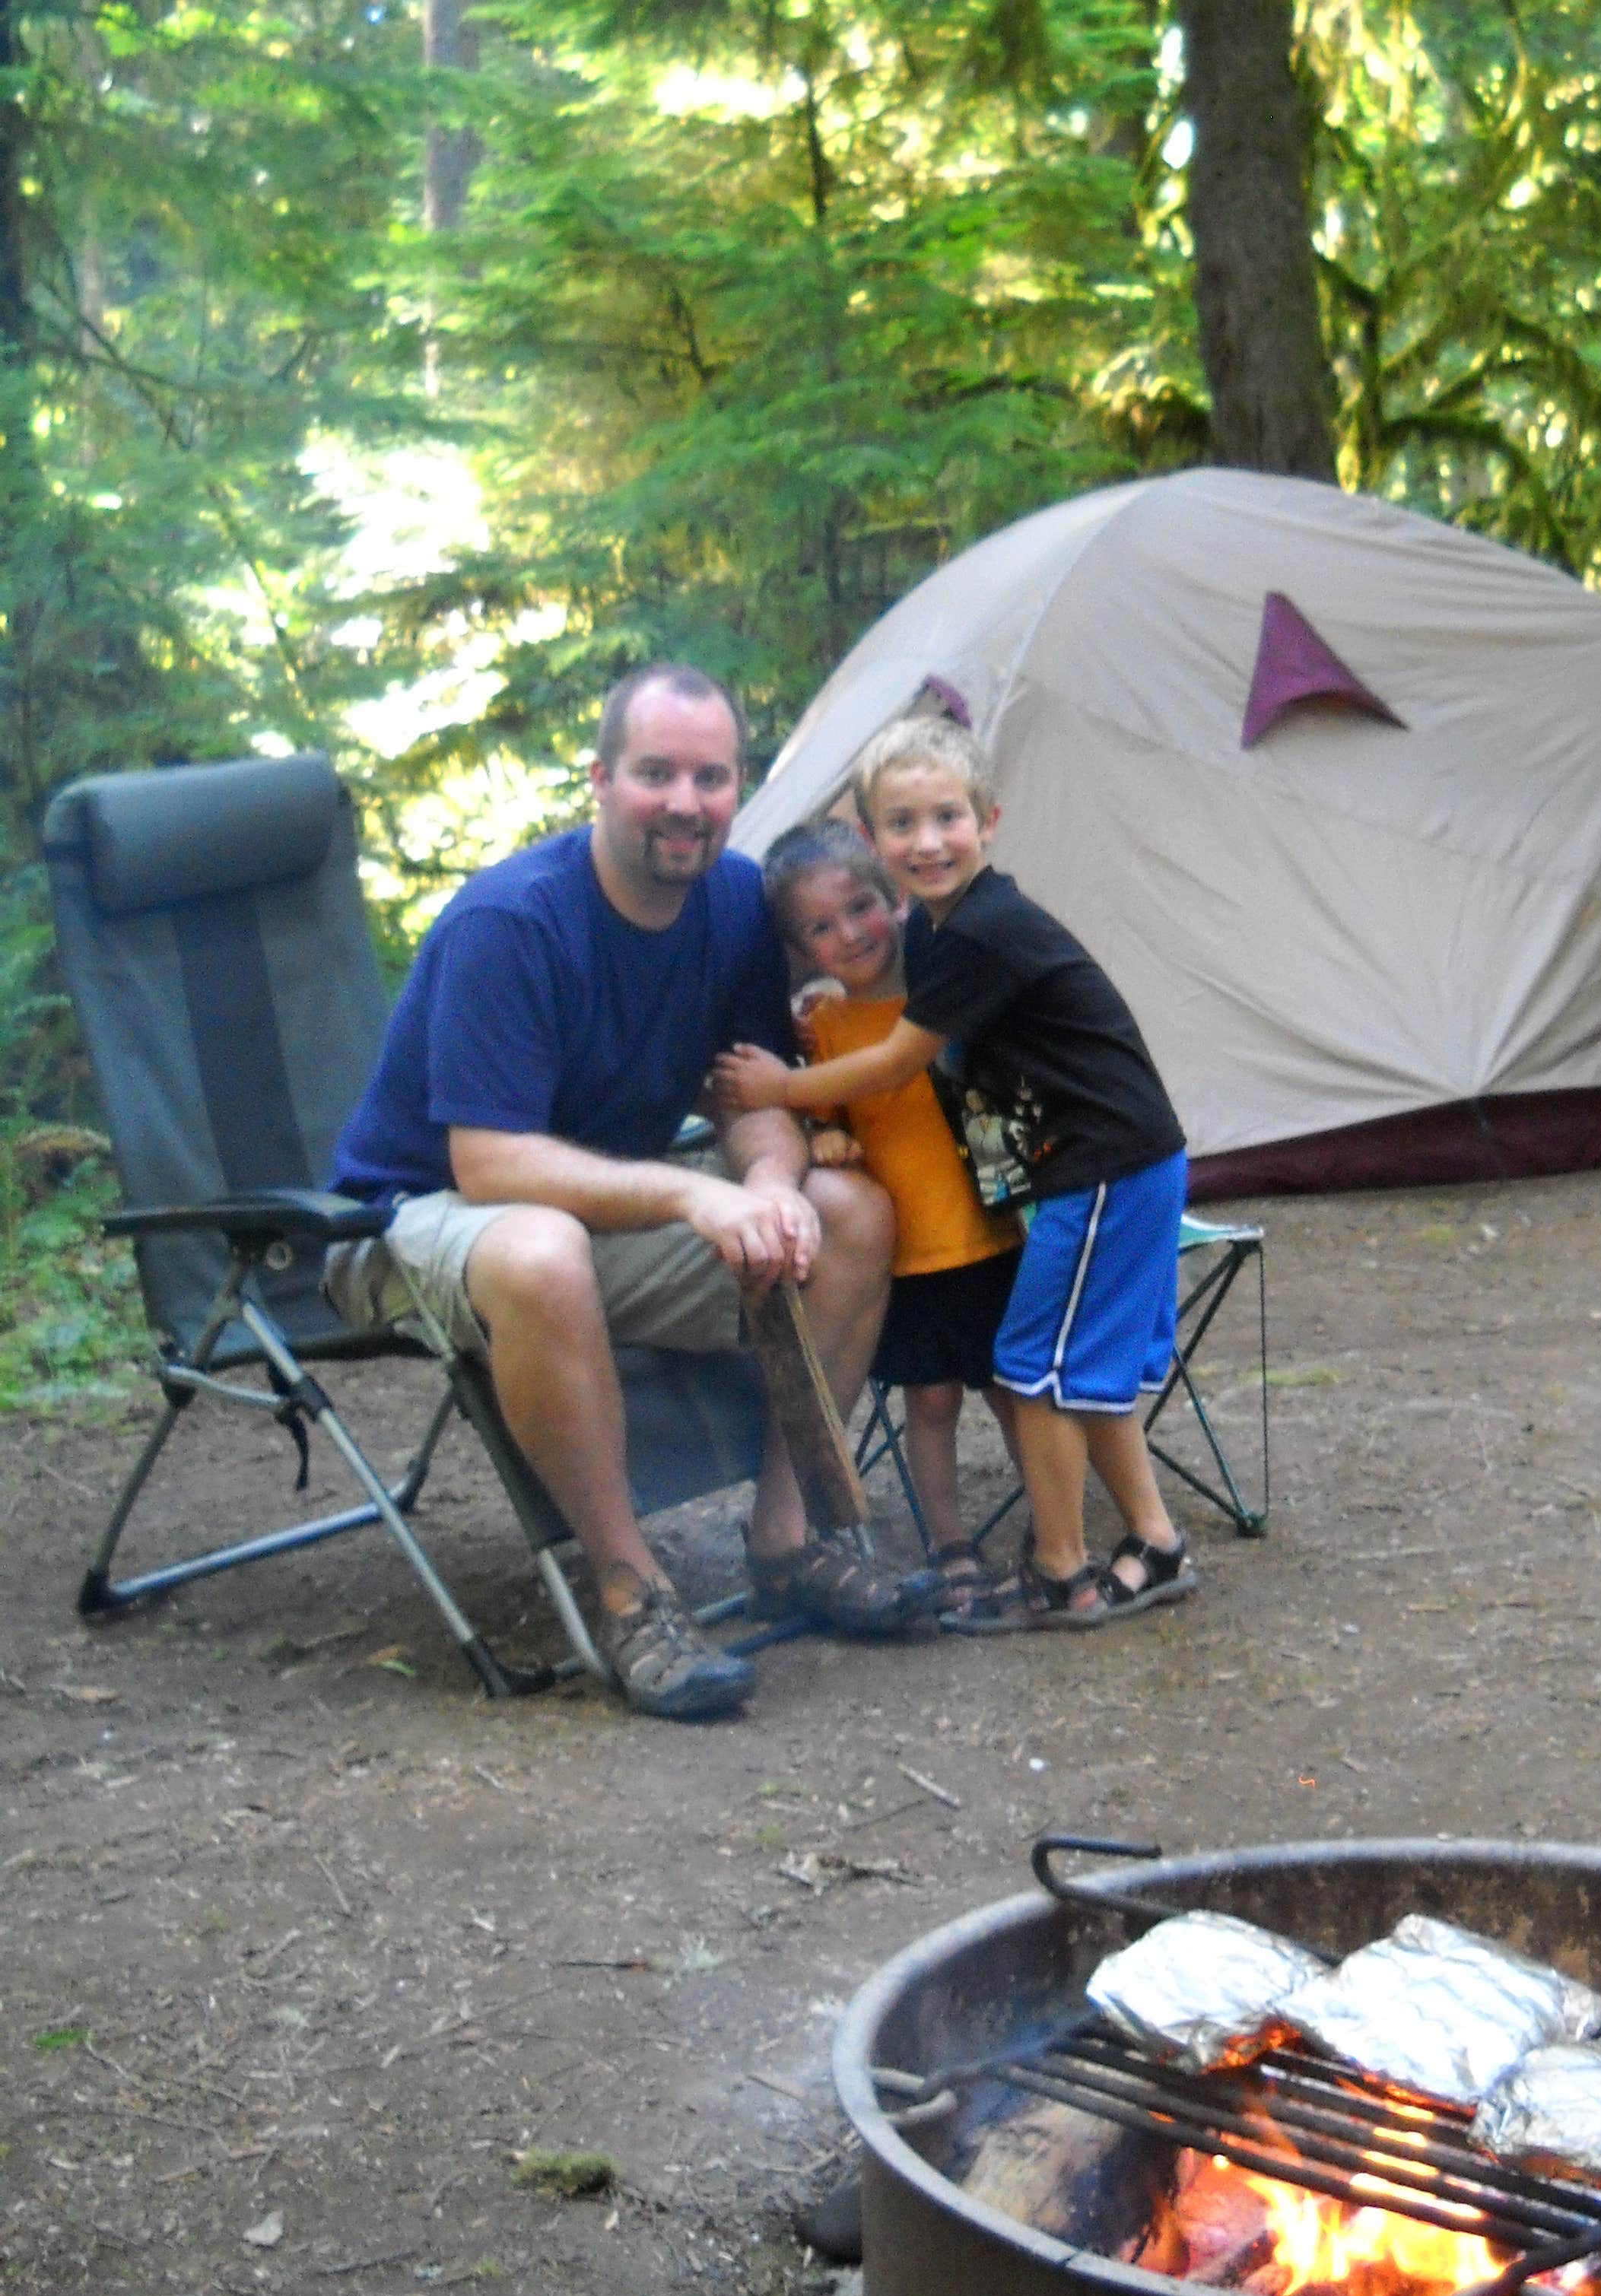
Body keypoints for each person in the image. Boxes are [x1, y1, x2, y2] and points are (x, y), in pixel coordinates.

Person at [327, 664, 912, 1724]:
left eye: (711, 777)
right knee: (541, 1248)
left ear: (738, 789)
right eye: (655, 773)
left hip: (595, 1208)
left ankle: (789, 1541)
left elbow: (746, 1096)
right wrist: (696, 1201)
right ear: (599, 779)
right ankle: (631, 1594)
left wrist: (768, 1184)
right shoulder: (513, 922)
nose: (685, 802)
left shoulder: (734, 904)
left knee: (850, 1215)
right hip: (412, 1218)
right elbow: (488, 1166)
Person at [715, 716, 1197, 1632]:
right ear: (874, 839)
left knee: (1034, 1370)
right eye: (903, 824)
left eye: (947, 818)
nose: (927, 842)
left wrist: (781, 1087)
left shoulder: (979, 933)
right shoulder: (947, 931)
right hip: (1090, 1167)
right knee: (1064, 1365)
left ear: (988, 820)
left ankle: (1060, 1569)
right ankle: (1154, 1542)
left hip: (1107, 1159)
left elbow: (900, 1061)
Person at [762, 821, 1026, 1609]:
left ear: (897, 900)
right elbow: (824, 1116)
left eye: (860, 907)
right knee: (931, 1404)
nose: (848, 934)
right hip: (909, 1258)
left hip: (993, 1241)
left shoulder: (944, 998)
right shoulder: (826, 1030)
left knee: (1016, 1395)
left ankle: (1054, 1529)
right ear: (801, 949)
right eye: (820, 927)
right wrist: (826, 1135)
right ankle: (949, 1543)